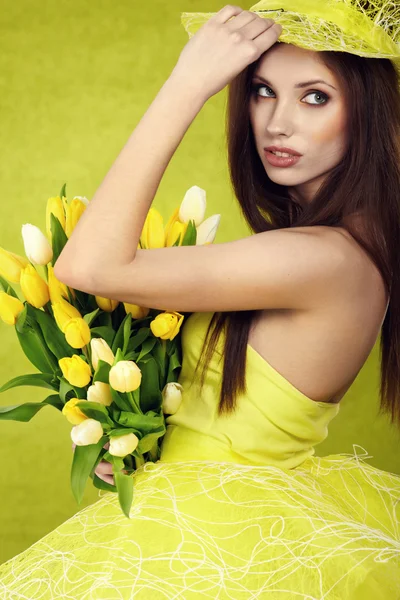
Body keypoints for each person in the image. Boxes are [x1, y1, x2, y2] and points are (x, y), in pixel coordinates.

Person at [1, 1, 400, 597]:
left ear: (368, 111)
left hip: (224, 535)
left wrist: (186, 85)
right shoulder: (319, 250)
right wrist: (133, 438)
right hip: (207, 525)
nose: (276, 123)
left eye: (315, 96)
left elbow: (89, 265)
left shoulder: (325, 259)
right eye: (262, 91)